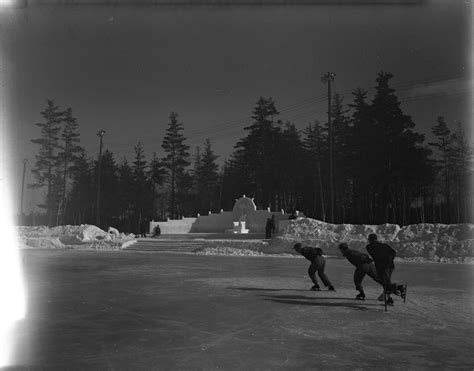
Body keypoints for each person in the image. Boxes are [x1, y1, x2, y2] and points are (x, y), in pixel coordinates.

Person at [366, 234, 406, 305]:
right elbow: (393, 252)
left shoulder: (369, 247)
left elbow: (375, 254)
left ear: (370, 240)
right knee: (386, 282)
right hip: (390, 265)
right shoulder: (384, 245)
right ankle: (388, 298)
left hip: (382, 267)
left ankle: (399, 288)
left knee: (386, 283)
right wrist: (389, 259)